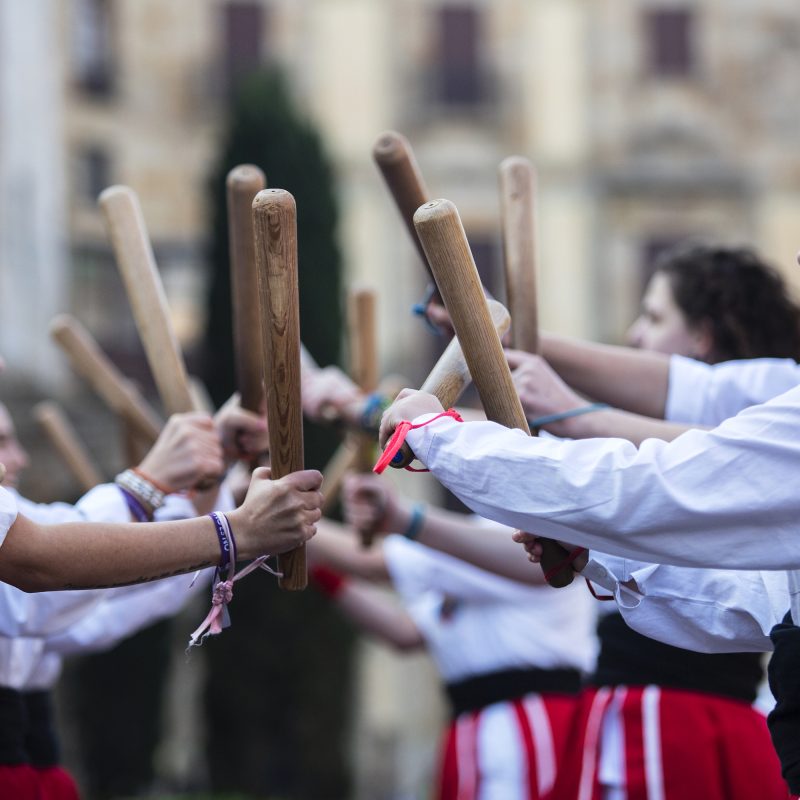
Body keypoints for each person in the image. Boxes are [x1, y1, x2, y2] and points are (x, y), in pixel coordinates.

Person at [503, 244, 798, 800]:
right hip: (636, 707)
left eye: (655, 316)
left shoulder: (780, 398)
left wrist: (560, 410)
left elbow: (691, 454)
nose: (635, 335)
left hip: (680, 718)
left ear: (703, 336)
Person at [309, 486, 596, 800]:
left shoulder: (516, 536)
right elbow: (406, 632)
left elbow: (375, 562)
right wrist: (320, 568)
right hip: (474, 726)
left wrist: (296, 523)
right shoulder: (465, 561)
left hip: (531, 728)